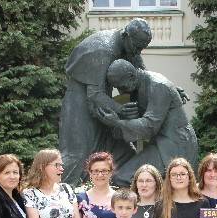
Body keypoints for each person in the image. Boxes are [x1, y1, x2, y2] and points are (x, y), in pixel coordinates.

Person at [59, 18, 153, 185]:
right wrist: (120, 109)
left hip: (104, 106)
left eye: (142, 48)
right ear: (126, 36)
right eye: (137, 47)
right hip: (80, 105)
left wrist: (170, 89)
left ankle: (117, 192)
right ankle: (66, 194)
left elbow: (143, 77)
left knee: (122, 153)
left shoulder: (130, 47)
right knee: (78, 154)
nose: (138, 52)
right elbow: (94, 94)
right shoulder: (103, 49)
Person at [96, 59, 199, 186]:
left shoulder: (158, 85)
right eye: (117, 87)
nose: (121, 91)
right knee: (120, 176)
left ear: (131, 76)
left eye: (122, 86)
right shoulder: (136, 87)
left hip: (173, 146)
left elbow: (149, 126)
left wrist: (117, 122)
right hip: (157, 144)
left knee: (122, 178)